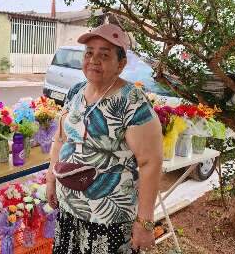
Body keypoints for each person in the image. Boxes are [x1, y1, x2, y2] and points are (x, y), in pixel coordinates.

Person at [46, 24, 163, 254]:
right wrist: (51, 178)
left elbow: (151, 163)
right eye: (89, 52)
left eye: (104, 54)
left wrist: (145, 223)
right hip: (70, 210)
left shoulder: (132, 101)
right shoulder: (76, 92)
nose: (94, 60)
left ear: (121, 64)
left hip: (108, 221)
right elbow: (61, 140)